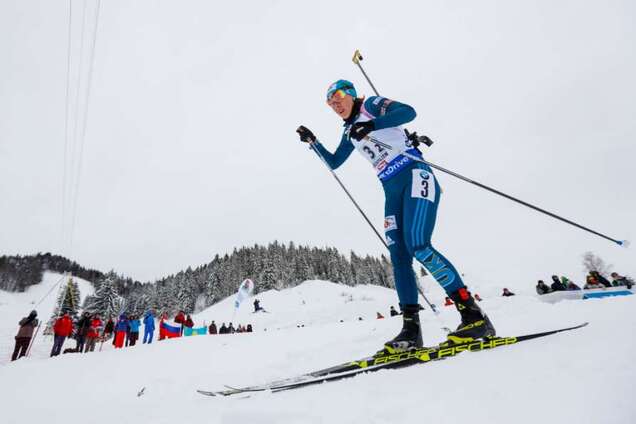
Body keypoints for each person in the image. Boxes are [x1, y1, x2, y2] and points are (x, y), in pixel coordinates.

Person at [297, 80, 495, 351]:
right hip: (390, 189)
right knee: (399, 258)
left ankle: (473, 316)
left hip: (414, 174)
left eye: (339, 97)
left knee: (419, 246)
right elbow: (335, 162)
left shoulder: (371, 106)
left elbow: (408, 112)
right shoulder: (349, 132)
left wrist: (372, 125)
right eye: (330, 103)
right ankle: (411, 330)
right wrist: (314, 142)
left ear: (352, 95)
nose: (336, 105)